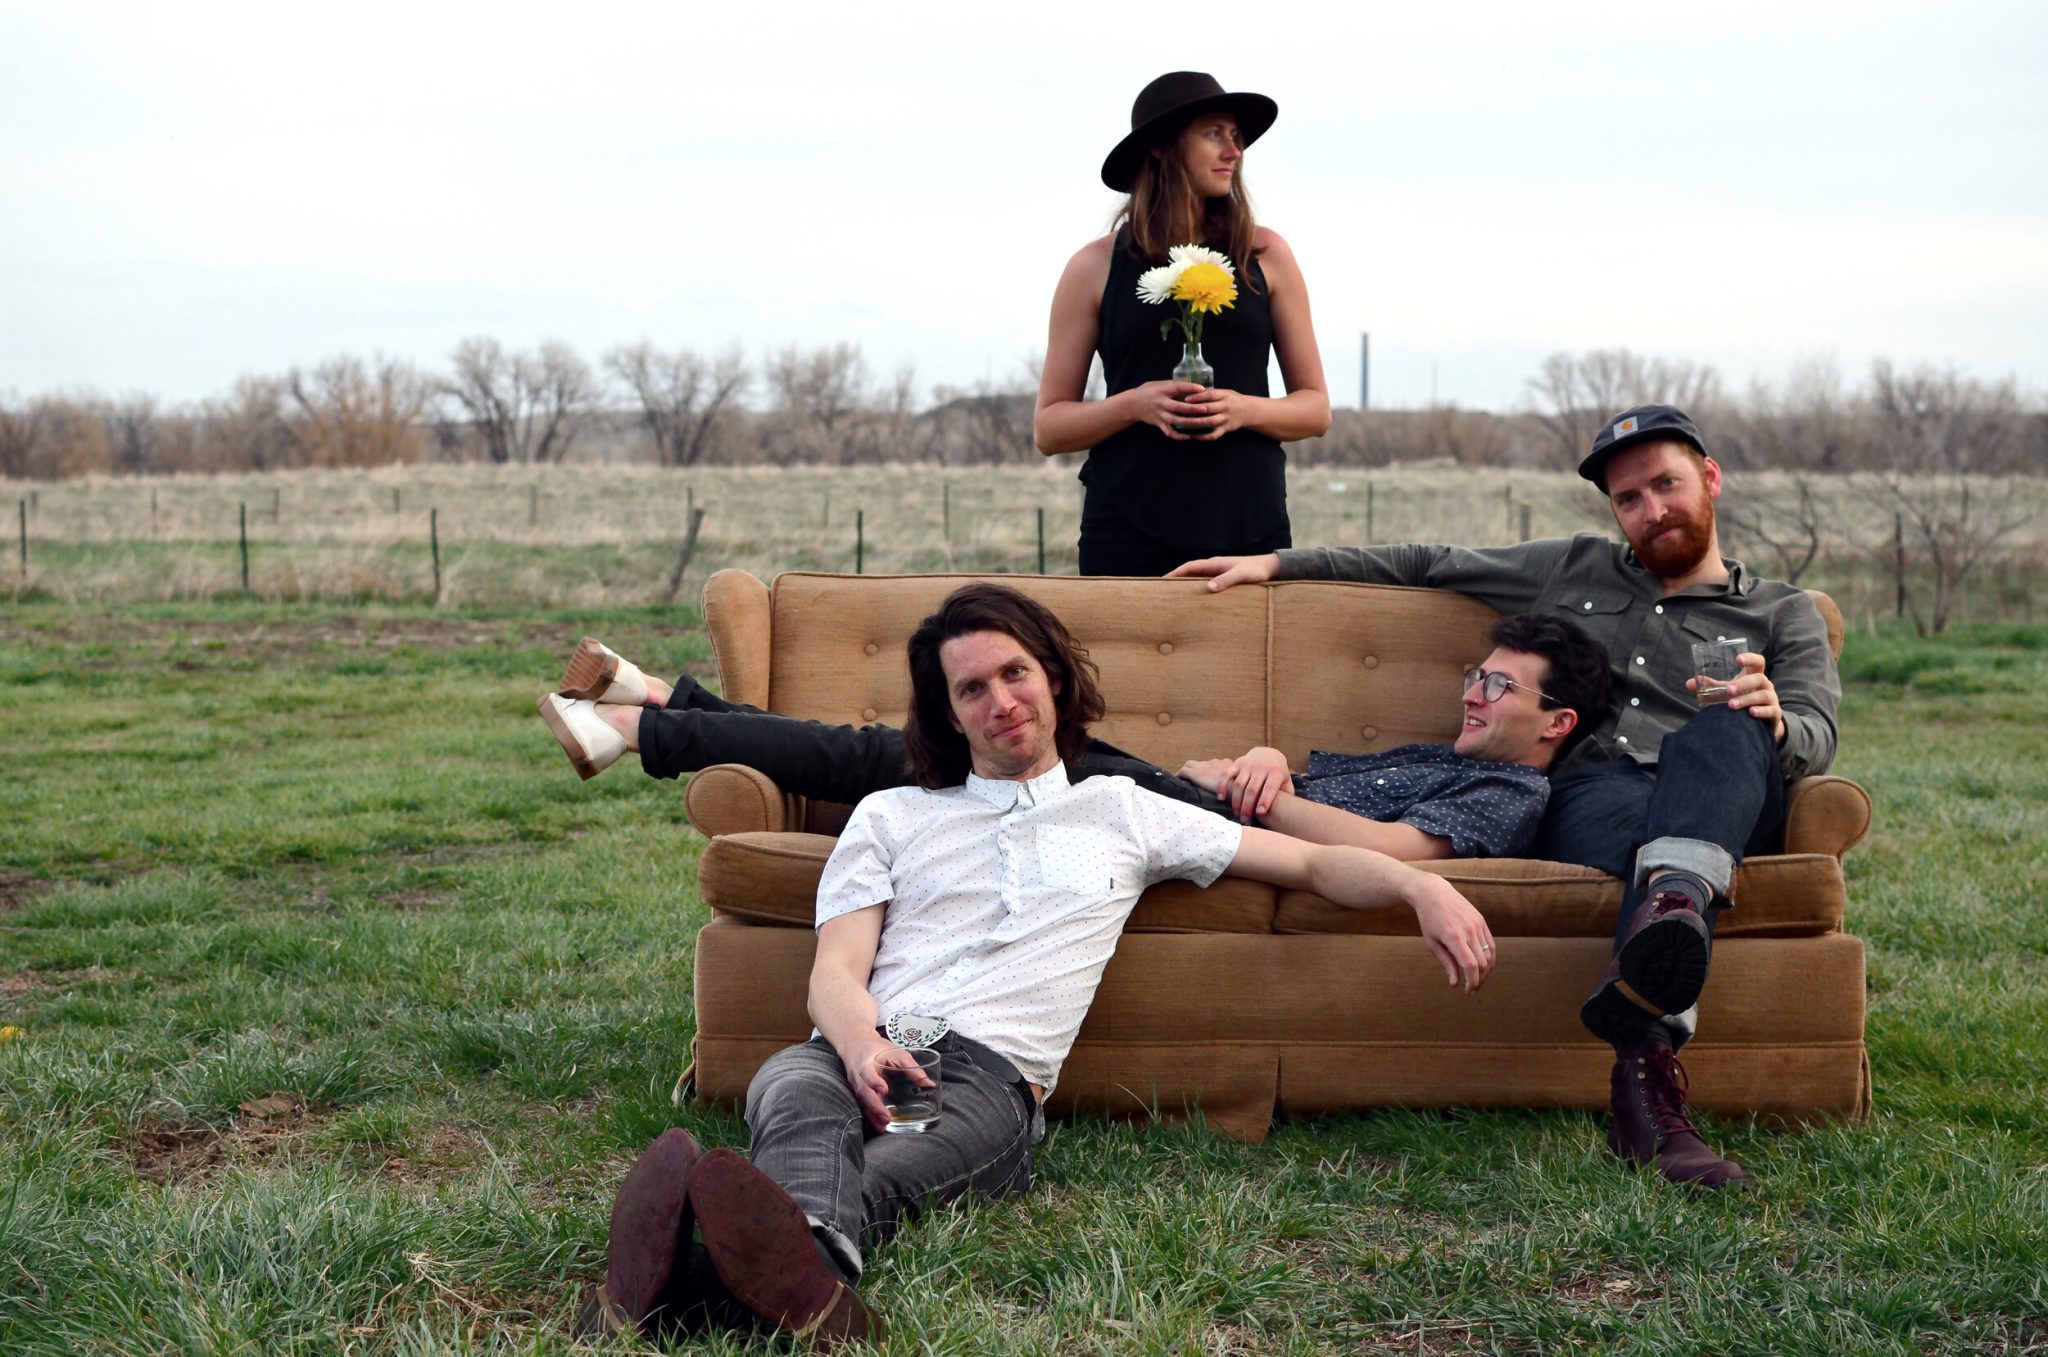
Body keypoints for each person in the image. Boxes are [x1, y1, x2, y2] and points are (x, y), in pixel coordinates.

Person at [577, 584, 1496, 1345]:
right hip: (857, 1042)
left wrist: (1421, 890)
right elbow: (836, 968)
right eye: (972, 688)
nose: (1000, 700)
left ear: (1053, 680)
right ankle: (809, 1282)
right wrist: (859, 1045)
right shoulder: (892, 815)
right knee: (798, 1095)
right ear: (948, 712)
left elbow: (1303, 861)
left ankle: (688, 1279)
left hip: (981, 1075)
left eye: (1015, 673)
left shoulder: (1125, 809)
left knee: (899, 1156)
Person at [1167, 404, 1843, 1190]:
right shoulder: (1575, 567)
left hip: (1727, 790)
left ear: (1711, 479)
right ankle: (1656, 1045)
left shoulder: (1783, 611)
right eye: (1630, 498)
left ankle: (1670, 921)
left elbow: (1818, 735)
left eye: (1668, 485)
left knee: (1721, 729)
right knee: (1661, 855)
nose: (1652, 510)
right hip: (1601, 795)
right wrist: (1279, 564)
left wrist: (1771, 717)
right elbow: (1429, 560)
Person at [537, 611, 1612, 863]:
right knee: (883, 748)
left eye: (1498, 688)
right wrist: (1261, 758)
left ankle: (638, 724)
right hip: (1184, 792)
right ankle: (650, 703)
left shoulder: (1509, 799)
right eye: (1474, 676)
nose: (1472, 694)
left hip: (1199, 824)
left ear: (1554, 724)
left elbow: (1383, 853)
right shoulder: (1447, 758)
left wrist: (1257, 789)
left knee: (890, 757)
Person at [1032, 71, 1331, 576]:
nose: (1233, 151)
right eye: (1215, 133)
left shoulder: (1266, 254)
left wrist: (1241, 410)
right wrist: (1136, 403)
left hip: (1250, 532)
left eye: (1237, 138)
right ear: (1160, 147)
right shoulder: (1093, 267)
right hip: (1126, 531)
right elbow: (1049, 428)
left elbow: (1315, 410)